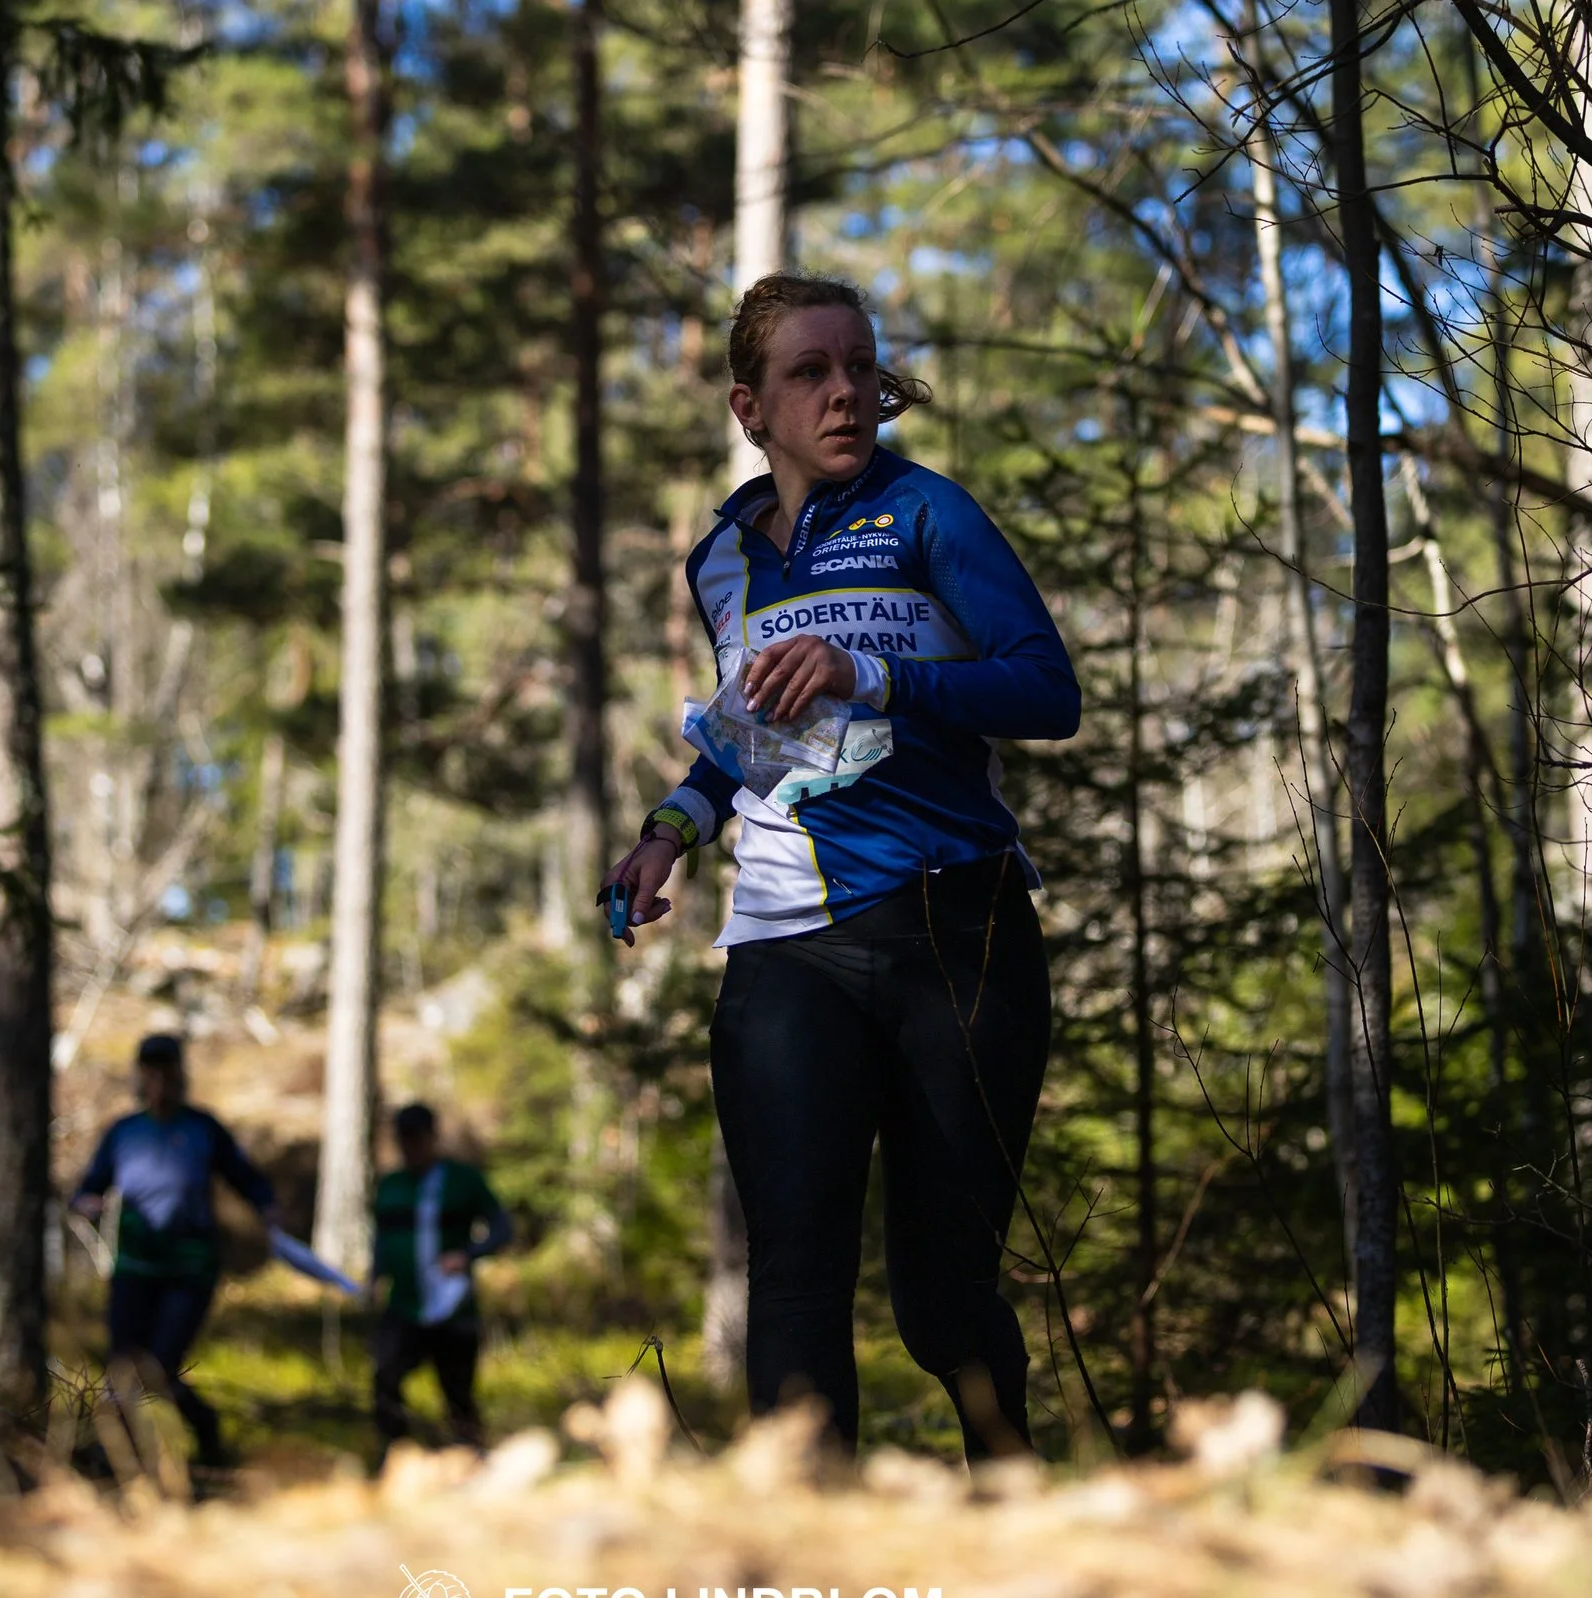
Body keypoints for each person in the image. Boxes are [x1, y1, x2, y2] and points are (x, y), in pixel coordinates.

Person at [601, 271, 1080, 1461]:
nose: (845, 392)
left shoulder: (927, 515)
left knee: (940, 1294)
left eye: (859, 366)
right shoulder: (718, 558)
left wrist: (874, 673)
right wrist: (670, 826)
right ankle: (805, 1580)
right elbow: (748, 731)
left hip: (951, 927)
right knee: (797, 1274)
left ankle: (1011, 1510)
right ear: (747, 405)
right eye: (810, 372)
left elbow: (1046, 689)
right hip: (783, 944)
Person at [70, 1033, 280, 1467]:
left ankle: (204, 1430)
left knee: (160, 1367)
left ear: (180, 1073)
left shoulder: (202, 1128)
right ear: (140, 1075)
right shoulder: (124, 1133)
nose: (159, 1078)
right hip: (133, 1267)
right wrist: (86, 1204)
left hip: (190, 1269)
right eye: (150, 1069)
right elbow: (89, 1187)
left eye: (167, 1069)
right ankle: (115, 1454)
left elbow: (246, 1177)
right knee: (124, 1367)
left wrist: (268, 1209)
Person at [368, 1103, 512, 1453]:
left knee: (458, 1391)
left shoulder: (463, 1180)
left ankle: (470, 1457)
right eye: (403, 1140)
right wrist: (373, 1278)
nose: (411, 1147)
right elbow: (382, 1241)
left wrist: (469, 1254)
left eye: (417, 1139)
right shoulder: (391, 1186)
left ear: (433, 1137)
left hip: (453, 1306)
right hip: (403, 1305)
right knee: (385, 1378)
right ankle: (396, 1456)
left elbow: (502, 1227)